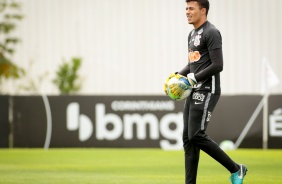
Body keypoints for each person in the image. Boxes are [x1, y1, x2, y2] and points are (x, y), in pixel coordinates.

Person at [164, 0, 247, 183]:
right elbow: (193, 63)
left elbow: (218, 64)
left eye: (191, 8)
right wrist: (177, 76)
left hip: (209, 89)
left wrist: (195, 78)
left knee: (196, 134)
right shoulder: (191, 34)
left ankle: (236, 169)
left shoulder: (212, 32)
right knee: (187, 138)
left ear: (203, 10)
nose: (187, 11)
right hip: (194, 88)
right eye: (186, 8)